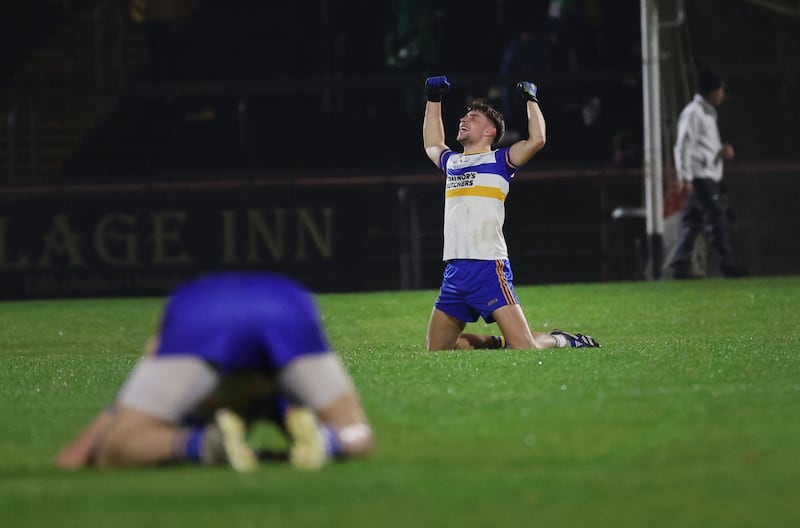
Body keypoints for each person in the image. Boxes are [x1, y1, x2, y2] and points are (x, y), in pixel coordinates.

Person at [56, 272, 374, 472]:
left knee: (115, 450)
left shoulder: (182, 322)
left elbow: (78, 457)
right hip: (285, 303)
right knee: (355, 432)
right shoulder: (283, 401)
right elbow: (362, 438)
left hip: (203, 313)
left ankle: (204, 446)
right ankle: (326, 442)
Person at [422, 75, 600, 351]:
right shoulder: (453, 162)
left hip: (488, 267)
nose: (463, 120)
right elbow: (432, 144)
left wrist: (531, 99)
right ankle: (503, 343)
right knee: (440, 350)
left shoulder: (500, 160)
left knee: (526, 348)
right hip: (455, 271)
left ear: (490, 132)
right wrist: (434, 99)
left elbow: (537, 139)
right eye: (464, 116)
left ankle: (561, 340)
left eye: (473, 118)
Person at [670, 69, 748, 279]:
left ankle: (680, 263)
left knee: (692, 221)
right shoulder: (694, 112)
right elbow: (683, 146)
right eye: (720, 90)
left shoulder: (708, 113)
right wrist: (685, 176)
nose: (722, 95)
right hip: (700, 176)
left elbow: (702, 146)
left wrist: (720, 151)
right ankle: (728, 264)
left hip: (707, 175)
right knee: (717, 219)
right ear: (712, 91)